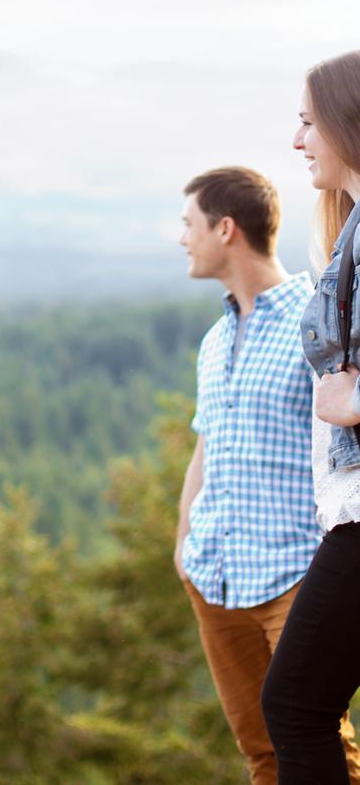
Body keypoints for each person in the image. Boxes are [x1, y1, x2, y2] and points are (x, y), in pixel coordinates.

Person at [175, 166, 360, 784]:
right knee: (262, 757)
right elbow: (206, 449)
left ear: (225, 229)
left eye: (189, 224)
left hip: (294, 579)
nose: (182, 239)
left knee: (322, 744)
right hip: (216, 580)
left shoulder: (317, 323)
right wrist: (183, 547)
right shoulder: (214, 338)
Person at [262, 50, 360, 782]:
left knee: (294, 703)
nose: (298, 141)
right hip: (348, 506)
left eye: (307, 122)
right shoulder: (348, 235)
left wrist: (354, 402)